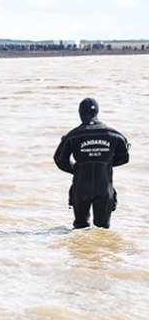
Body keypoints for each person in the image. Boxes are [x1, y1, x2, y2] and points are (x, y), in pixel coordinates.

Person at [54, 98, 130, 229]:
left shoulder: (72, 136)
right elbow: (124, 158)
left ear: (80, 113)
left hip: (80, 187)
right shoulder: (115, 135)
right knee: (102, 231)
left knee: (80, 228)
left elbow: (60, 160)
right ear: (97, 112)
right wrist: (104, 165)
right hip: (104, 187)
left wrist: (78, 169)